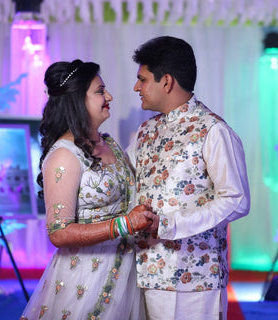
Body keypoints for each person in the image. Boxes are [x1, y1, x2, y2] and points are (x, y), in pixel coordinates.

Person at [126, 36, 251, 320]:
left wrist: (170, 224)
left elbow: (236, 200)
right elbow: (124, 180)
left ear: (166, 81)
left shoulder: (213, 130)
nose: (137, 87)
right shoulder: (146, 131)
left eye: (142, 79)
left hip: (193, 279)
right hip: (143, 271)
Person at [21, 59, 153, 320]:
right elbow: (59, 233)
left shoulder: (110, 144)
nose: (109, 96)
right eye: (100, 91)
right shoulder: (64, 156)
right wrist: (125, 224)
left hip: (127, 272)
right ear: (77, 100)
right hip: (87, 280)